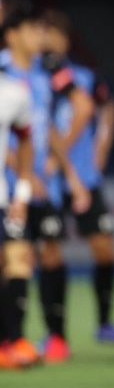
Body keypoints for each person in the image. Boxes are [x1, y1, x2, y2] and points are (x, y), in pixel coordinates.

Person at [40, 10, 114, 359]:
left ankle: (105, 322)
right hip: (48, 179)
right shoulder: (31, 78)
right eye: (45, 33)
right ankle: (55, 335)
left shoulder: (80, 77)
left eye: (57, 35)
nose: (51, 41)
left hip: (83, 176)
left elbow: (105, 106)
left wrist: (102, 145)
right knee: (47, 252)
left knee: (104, 249)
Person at [0, 0, 89, 366]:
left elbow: (45, 128)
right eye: (34, 30)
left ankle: (53, 336)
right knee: (15, 259)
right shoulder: (3, 74)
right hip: (12, 186)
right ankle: (13, 338)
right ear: (14, 34)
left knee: (48, 253)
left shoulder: (42, 74)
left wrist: (70, 174)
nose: (41, 36)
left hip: (41, 186)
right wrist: (26, 176)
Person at [0, 61, 35, 369]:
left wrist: (22, 191)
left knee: (12, 265)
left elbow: (25, 139)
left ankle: (10, 341)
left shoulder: (13, 92)